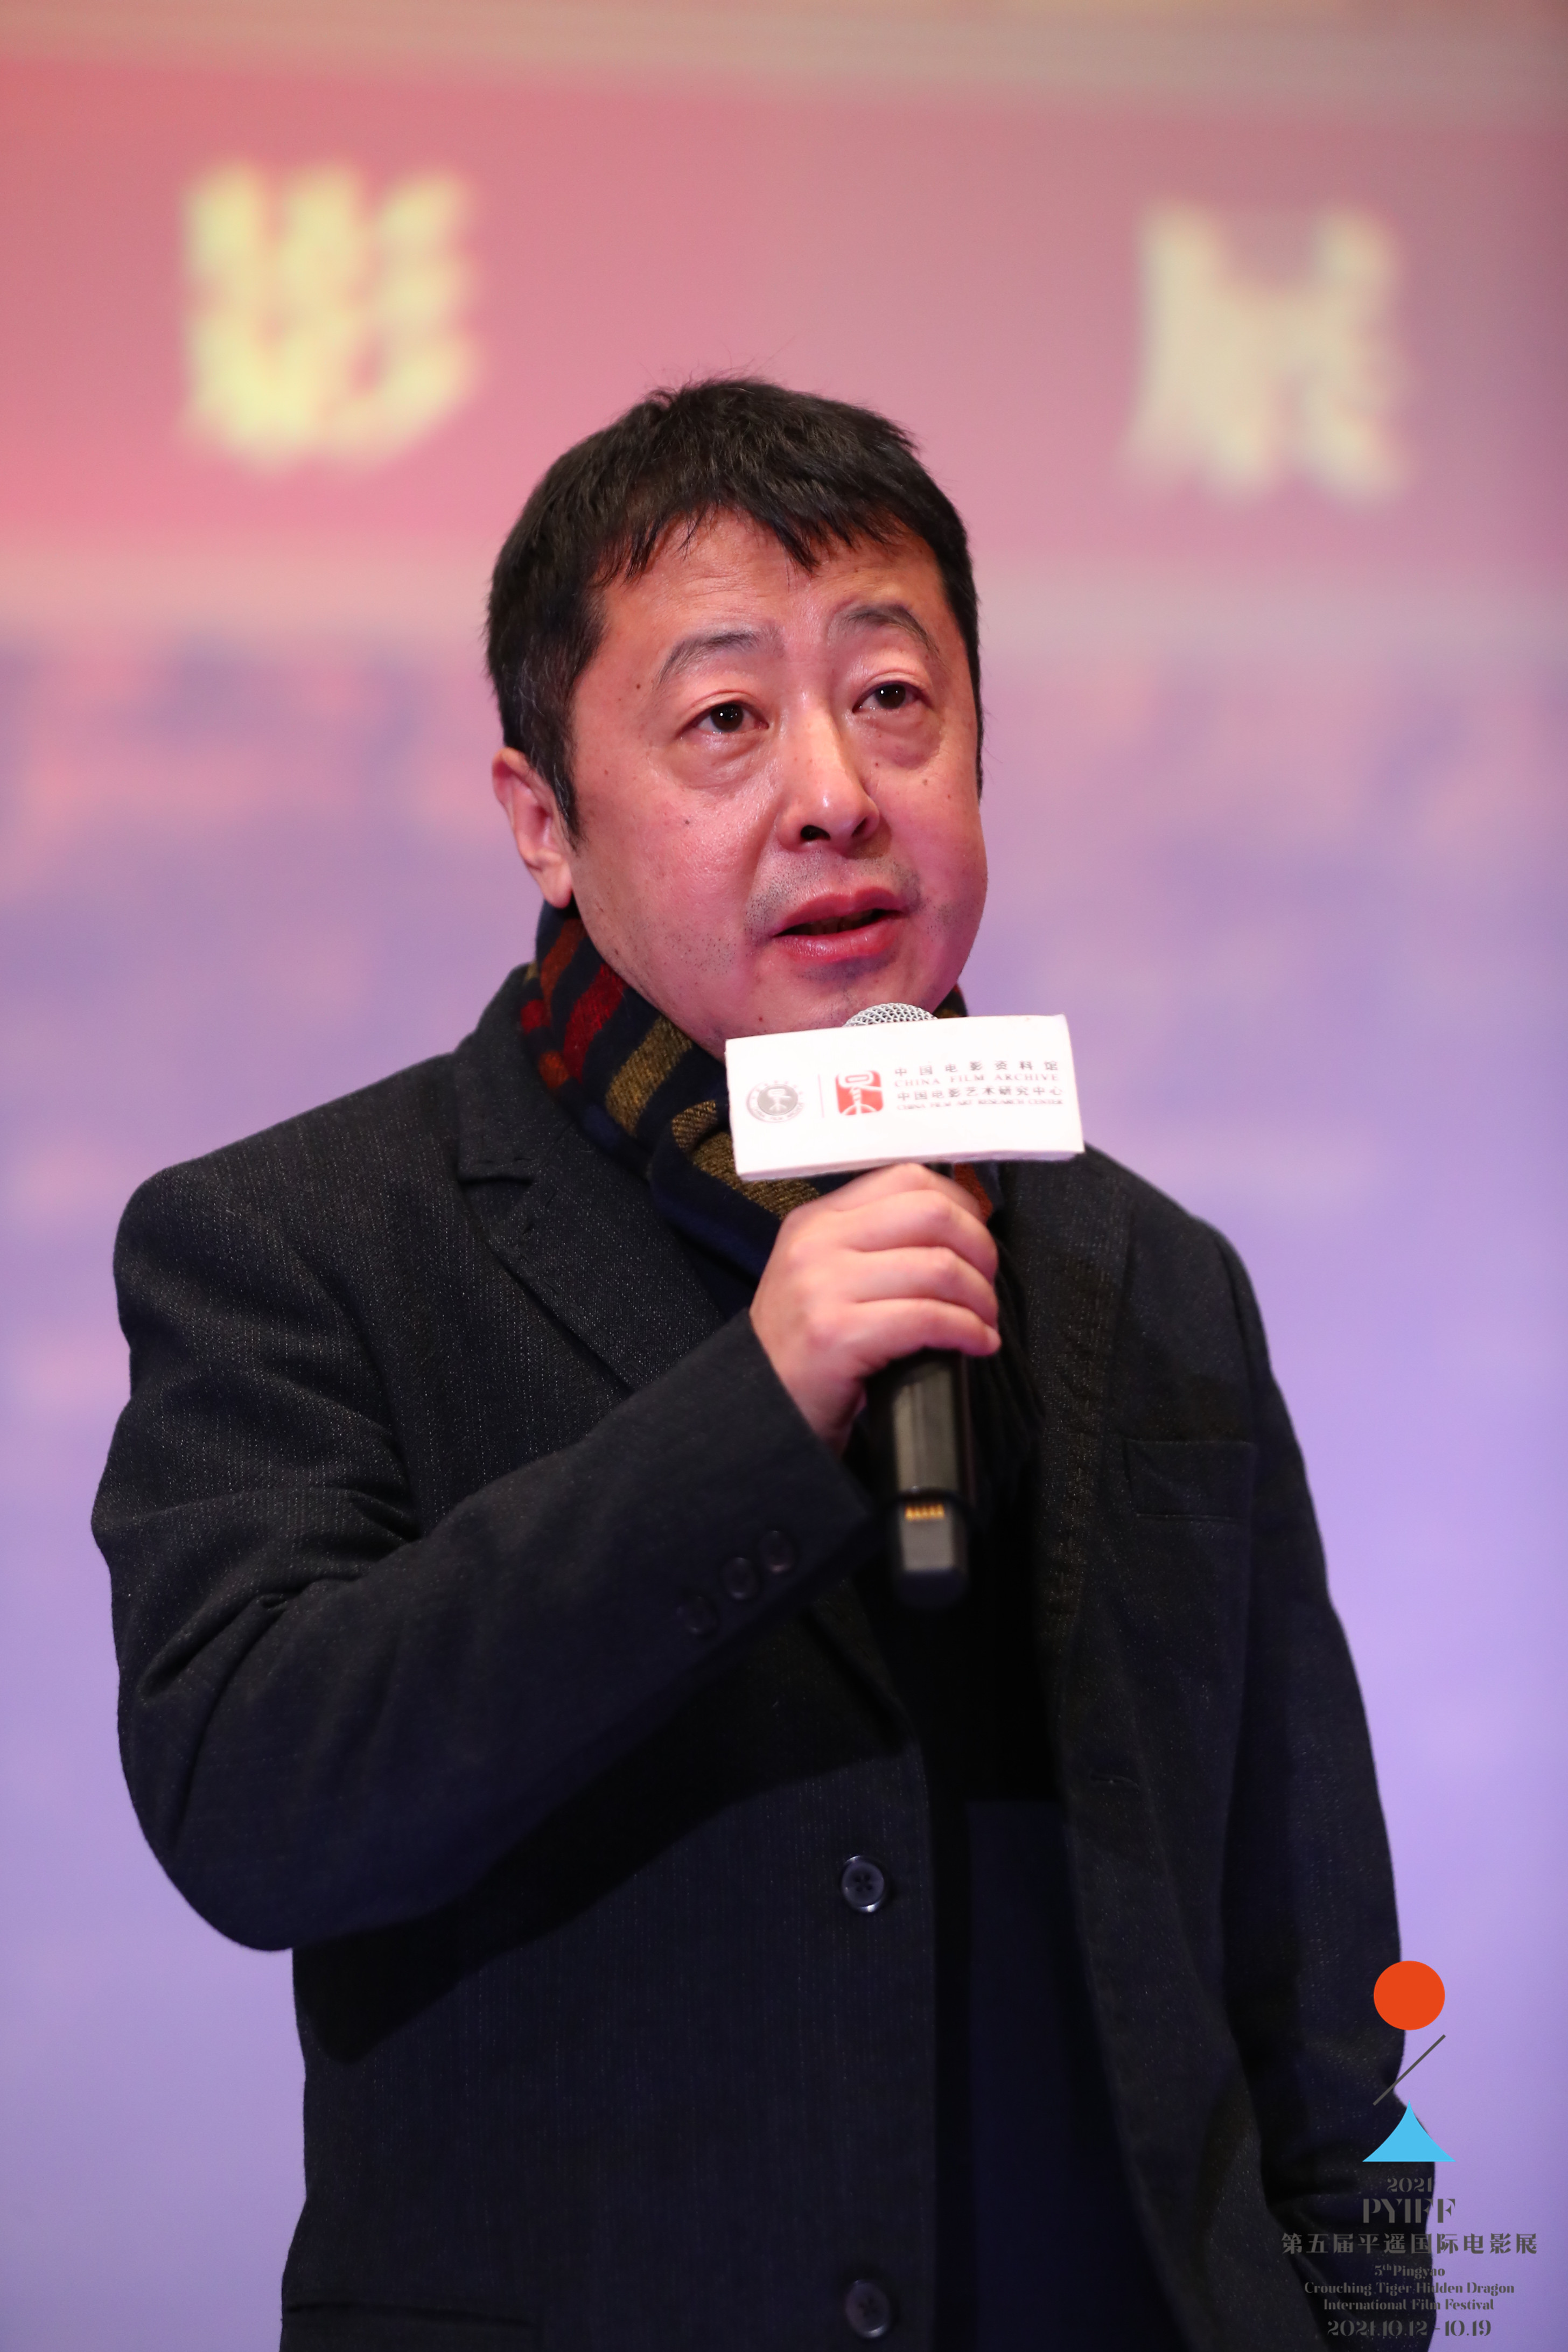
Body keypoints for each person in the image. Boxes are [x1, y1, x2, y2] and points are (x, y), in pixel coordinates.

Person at [94, 379, 1430, 2352]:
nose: (835, 791)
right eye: (726, 720)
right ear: (541, 820)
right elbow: (255, 1795)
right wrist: (750, 1417)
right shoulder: (302, 1241)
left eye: (894, 699)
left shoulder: (1152, 1275)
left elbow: (1317, 1976)